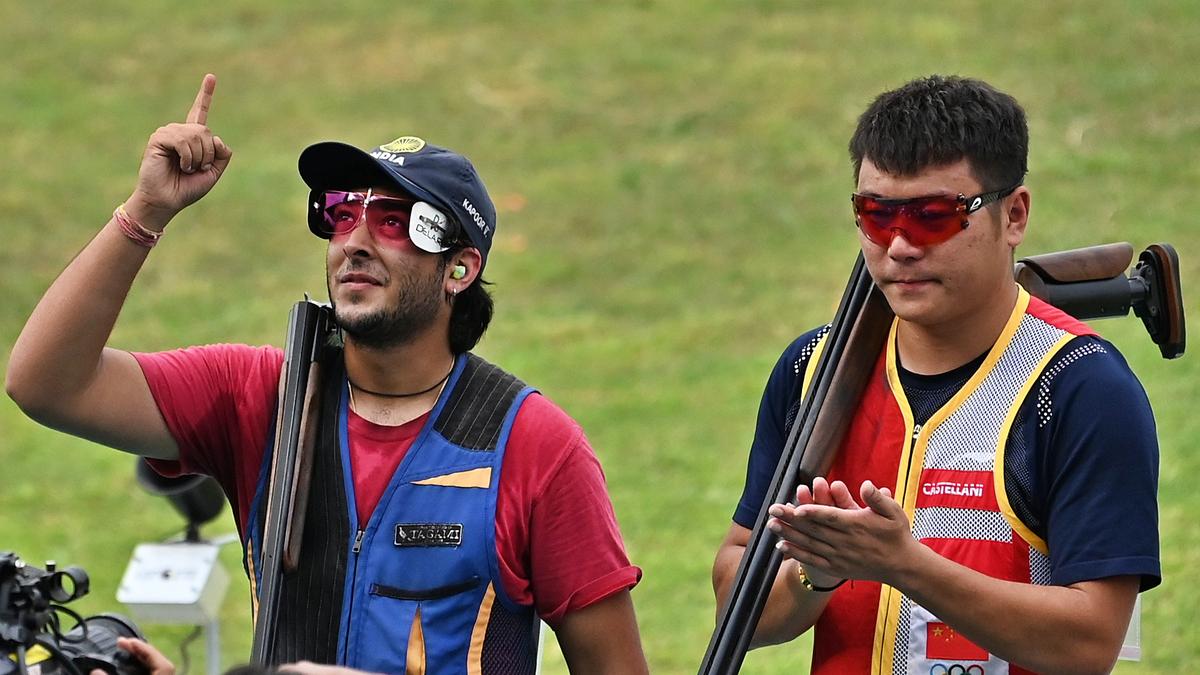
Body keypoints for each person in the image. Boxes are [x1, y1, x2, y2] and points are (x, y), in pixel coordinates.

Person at [7, 74, 648, 674]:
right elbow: (46, 384)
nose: (354, 241)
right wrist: (144, 212)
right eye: (341, 214)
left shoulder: (536, 446)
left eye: (395, 221)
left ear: (460, 268)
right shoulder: (256, 396)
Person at [712, 75, 1160, 674]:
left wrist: (904, 564)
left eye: (933, 216)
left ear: (1015, 214)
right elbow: (736, 598)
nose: (898, 247)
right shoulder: (812, 368)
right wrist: (813, 576)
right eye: (875, 214)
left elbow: (1090, 644)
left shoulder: (1079, 386)